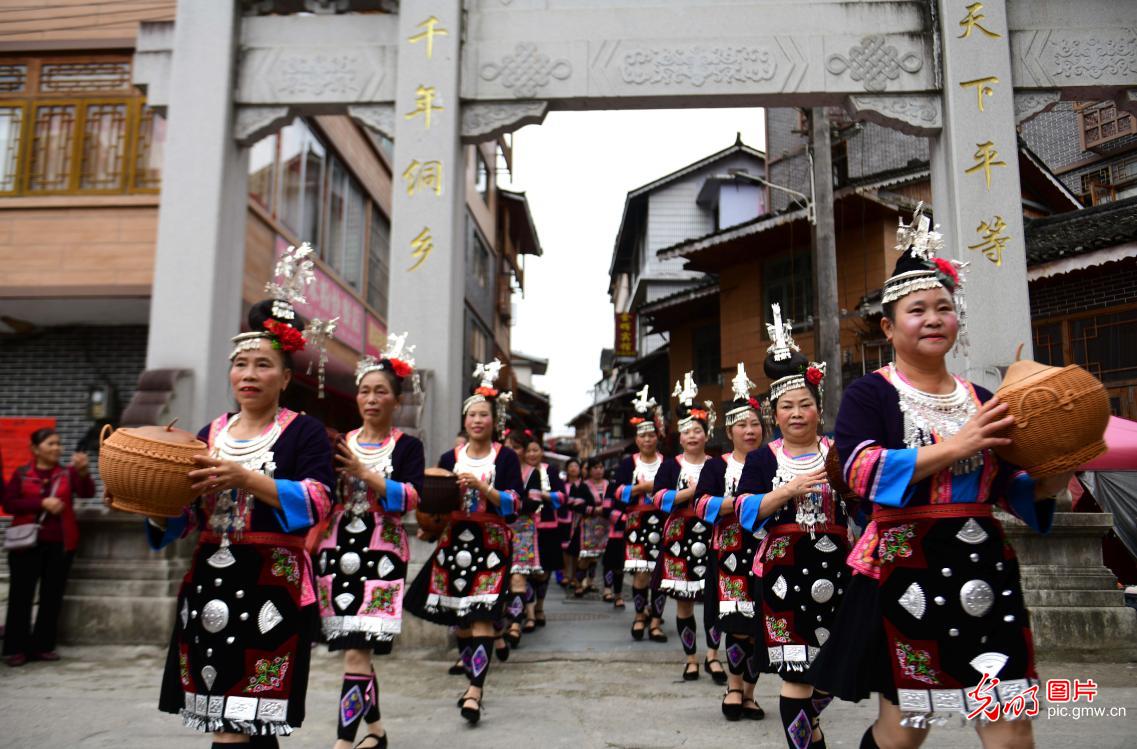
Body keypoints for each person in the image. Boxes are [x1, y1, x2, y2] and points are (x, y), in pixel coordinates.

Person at [811, 206, 1070, 749]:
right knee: (906, 730)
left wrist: (1051, 477)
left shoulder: (984, 400)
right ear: (888, 326)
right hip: (905, 567)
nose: (933, 318)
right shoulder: (870, 394)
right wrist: (957, 445)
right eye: (917, 309)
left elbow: (1006, 488)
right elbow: (858, 471)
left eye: (944, 307)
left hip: (985, 566)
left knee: (1011, 725)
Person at [140, 244, 336, 743]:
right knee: (236, 718)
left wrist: (245, 477)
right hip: (210, 582)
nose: (249, 375)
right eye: (241, 364)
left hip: (275, 583)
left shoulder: (305, 433)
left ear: (286, 377)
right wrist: (160, 505)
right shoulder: (209, 431)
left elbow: (318, 501)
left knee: (241, 723)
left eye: (263, 365)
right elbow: (187, 516)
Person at [728, 310, 847, 749]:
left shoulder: (839, 452)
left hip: (838, 572)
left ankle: (809, 722)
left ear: (819, 408)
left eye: (805, 404)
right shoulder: (762, 459)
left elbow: (862, 505)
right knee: (794, 670)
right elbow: (744, 512)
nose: (797, 413)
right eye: (786, 406)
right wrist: (788, 491)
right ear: (773, 413)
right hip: (782, 575)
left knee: (835, 669)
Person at [317, 335, 424, 749]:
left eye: (381, 391)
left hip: (382, 554)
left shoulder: (408, 446)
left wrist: (367, 473)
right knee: (354, 648)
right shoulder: (337, 443)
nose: (371, 399)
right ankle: (375, 732)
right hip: (336, 550)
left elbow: (412, 497)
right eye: (364, 391)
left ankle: (344, 743)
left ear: (396, 400)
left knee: (357, 650)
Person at [404, 358, 524, 726]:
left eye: (483, 415)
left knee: (483, 615)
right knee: (462, 618)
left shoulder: (505, 458)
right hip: (455, 543)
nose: (476, 421)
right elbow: (434, 500)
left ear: (494, 421)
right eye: (471, 415)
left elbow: (516, 503)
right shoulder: (447, 458)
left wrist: (483, 487)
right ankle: (474, 674)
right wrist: (431, 520)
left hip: (490, 543)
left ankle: (475, 689)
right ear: (465, 421)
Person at [694, 363, 767, 720]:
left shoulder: (772, 460)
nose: (750, 431)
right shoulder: (716, 465)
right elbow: (701, 505)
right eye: (742, 425)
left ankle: (751, 692)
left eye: (755, 424)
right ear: (729, 430)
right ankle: (734, 686)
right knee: (738, 625)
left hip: (767, 550)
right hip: (730, 554)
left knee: (760, 626)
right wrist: (739, 503)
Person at [651, 371, 720, 681]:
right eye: (687, 432)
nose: (693, 436)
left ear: (707, 434)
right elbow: (659, 498)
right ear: (679, 438)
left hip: (712, 533)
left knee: (714, 599)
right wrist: (690, 493)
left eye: (698, 431)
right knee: (684, 601)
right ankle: (691, 657)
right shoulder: (670, 465)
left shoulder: (718, 464)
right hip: (679, 536)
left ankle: (714, 656)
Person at [3, 428, 93, 667]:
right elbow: (10, 503)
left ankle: (43, 645)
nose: (56, 448)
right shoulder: (22, 474)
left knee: (51, 597)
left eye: (58, 444)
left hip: (60, 544)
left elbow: (87, 493)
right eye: (50, 444)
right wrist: (41, 503)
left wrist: (83, 472)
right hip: (25, 545)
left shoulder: (67, 474)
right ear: (35, 449)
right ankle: (14, 648)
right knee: (20, 597)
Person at [614, 385, 667, 641]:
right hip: (637, 521)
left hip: (664, 522)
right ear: (636, 439)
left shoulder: (668, 463)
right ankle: (639, 615)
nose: (647, 440)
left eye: (651, 435)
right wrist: (641, 488)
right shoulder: (628, 463)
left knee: (660, 573)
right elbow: (615, 492)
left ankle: (656, 620)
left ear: (657, 437)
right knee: (641, 572)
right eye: (642, 436)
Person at [519, 437, 567, 626]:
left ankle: (539, 606)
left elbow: (562, 496)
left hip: (547, 525)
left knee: (544, 571)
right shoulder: (519, 471)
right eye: (528, 450)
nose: (532, 454)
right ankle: (529, 611)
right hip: (523, 526)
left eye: (535, 450)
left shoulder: (550, 471)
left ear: (542, 452)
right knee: (527, 569)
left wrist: (543, 495)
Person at [570, 458, 611, 597]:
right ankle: (580, 583)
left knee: (606, 558)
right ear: (589, 470)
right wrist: (595, 510)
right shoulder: (583, 486)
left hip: (607, 525)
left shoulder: (609, 484)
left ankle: (605, 587)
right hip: (588, 527)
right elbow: (578, 505)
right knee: (586, 557)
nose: (598, 470)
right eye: (595, 468)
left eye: (601, 467)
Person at [557, 458, 583, 588]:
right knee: (565, 548)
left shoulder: (583, 485)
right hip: (564, 518)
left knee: (577, 549)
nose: (573, 469)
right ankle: (566, 574)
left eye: (576, 466)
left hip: (579, 519)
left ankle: (575, 576)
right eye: (570, 466)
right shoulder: (562, 485)